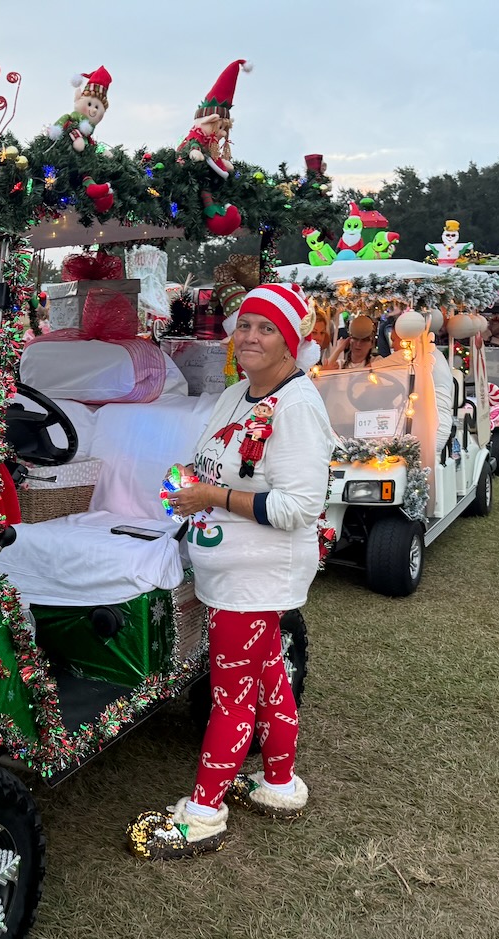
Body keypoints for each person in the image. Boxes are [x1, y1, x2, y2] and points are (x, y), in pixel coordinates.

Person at [127, 283, 335, 860]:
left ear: (291, 342)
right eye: (245, 324)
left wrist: (212, 496)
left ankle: (203, 813)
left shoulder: (297, 407)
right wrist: (187, 486)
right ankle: (279, 784)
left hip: (256, 578)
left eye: (266, 328)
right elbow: (213, 462)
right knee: (269, 675)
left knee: (232, 694)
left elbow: (298, 507)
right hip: (228, 572)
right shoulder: (240, 392)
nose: (250, 336)